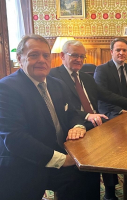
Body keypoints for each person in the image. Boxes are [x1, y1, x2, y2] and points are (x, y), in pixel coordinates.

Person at [0, 35, 99, 200]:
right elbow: (15, 139)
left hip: (57, 152)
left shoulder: (56, 84)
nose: (42, 60)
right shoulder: (6, 89)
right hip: (24, 161)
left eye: (46, 55)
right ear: (20, 58)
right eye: (34, 55)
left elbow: (73, 113)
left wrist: (77, 126)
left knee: (90, 173)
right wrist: (63, 160)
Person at [49, 40, 127, 200]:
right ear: (62, 55)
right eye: (74, 55)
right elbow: (60, 106)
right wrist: (86, 116)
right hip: (75, 127)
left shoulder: (86, 77)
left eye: (82, 56)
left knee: (114, 145)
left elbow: (106, 95)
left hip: (97, 123)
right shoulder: (53, 77)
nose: (79, 60)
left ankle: (110, 192)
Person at [94, 38, 127, 119]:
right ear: (111, 52)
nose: (121, 53)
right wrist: (121, 110)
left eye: (124, 50)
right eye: (118, 50)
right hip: (111, 111)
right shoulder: (102, 69)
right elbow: (103, 95)